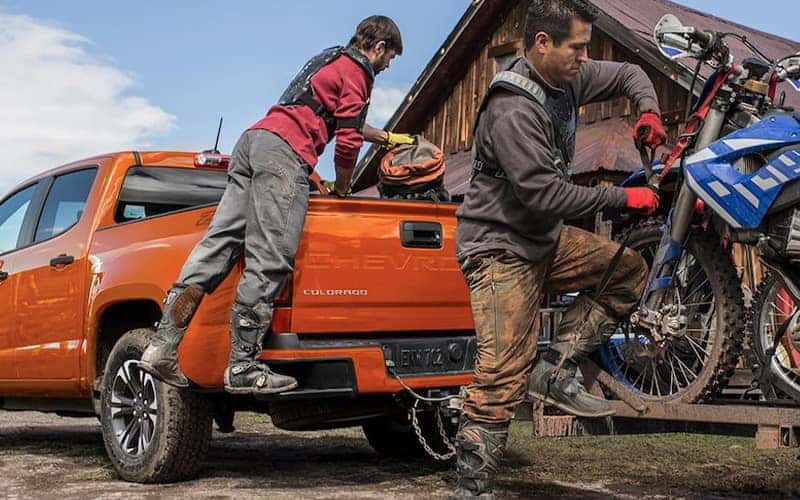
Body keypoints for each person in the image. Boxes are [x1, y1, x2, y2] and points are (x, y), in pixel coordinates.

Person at [453, 0, 666, 496]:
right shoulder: (512, 109)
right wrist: (623, 196)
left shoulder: (568, 79)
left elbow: (631, 73)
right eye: (577, 47)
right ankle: (472, 483)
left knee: (627, 270)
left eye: (587, 48)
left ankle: (555, 369)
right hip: (498, 248)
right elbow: (546, 195)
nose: (584, 58)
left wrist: (650, 110)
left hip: (541, 239)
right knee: (501, 375)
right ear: (543, 44)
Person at [139, 15, 414, 395]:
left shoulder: (330, 59)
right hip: (284, 156)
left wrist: (384, 137)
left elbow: (334, 117)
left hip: (254, 142)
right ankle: (243, 366)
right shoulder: (359, 72)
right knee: (271, 257)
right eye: (390, 59)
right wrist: (345, 188)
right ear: (379, 47)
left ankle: (162, 346)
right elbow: (347, 140)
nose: (386, 67)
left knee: (218, 248)